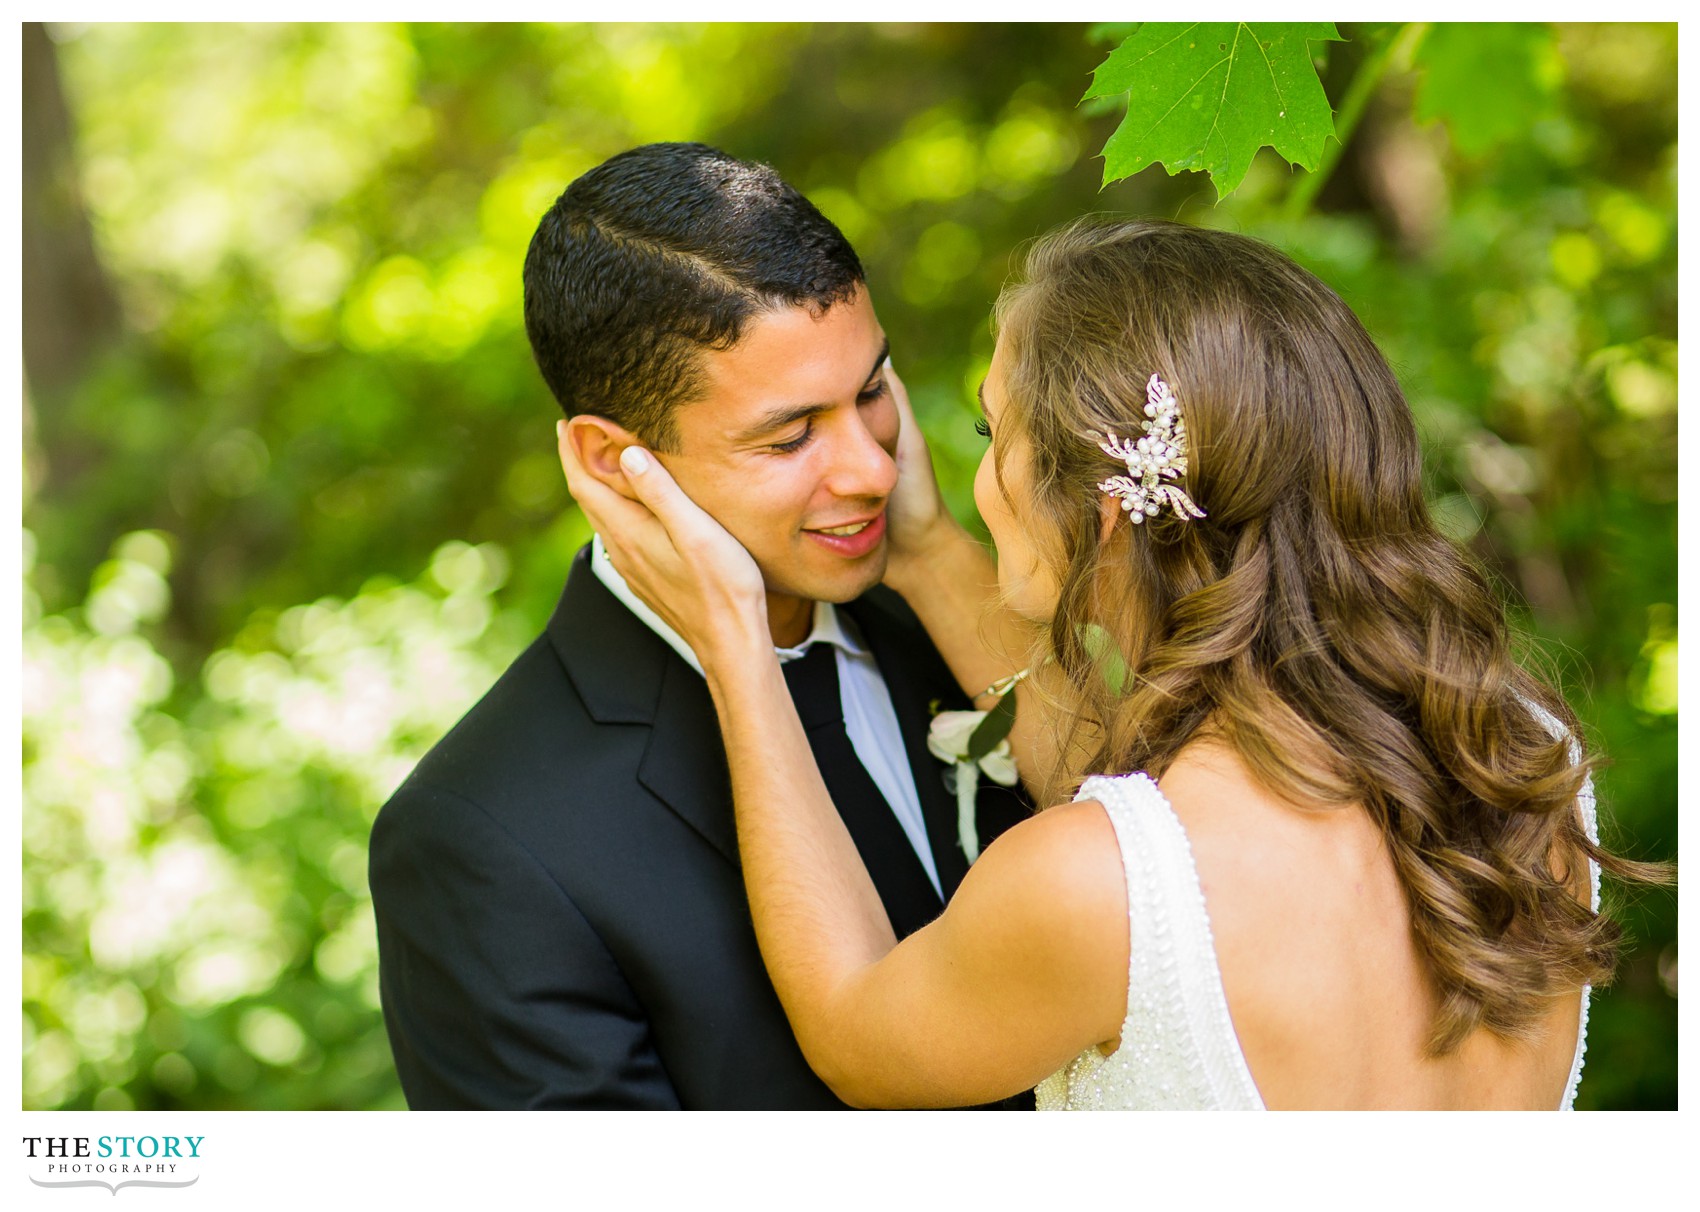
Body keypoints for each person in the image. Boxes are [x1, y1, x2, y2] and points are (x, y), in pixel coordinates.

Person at [565, 216, 1662, 1110]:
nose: (959, 470)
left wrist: (734, 642)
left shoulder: (1093, 885)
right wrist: (930, 550)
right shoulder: (1513, 757)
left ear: (1099, 513)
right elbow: (1155, 795)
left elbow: (856, 1028)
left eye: (995, 437)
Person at [367, 143, 1029, 1109]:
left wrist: (930, 555)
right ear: (611, 461)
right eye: (792, 434)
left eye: (873, 391)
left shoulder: (951, 619)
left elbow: (1153, 837)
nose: (874, 471)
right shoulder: (481, 843)